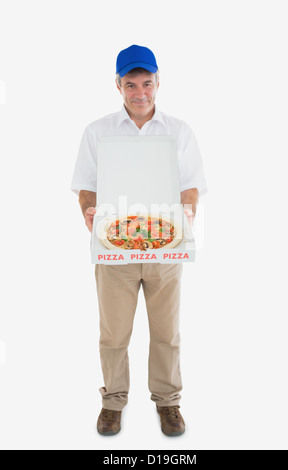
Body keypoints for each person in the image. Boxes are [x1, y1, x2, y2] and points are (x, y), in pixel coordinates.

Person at [71, 45, 207, 437]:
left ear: (158, 83)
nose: (140, 92)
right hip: (115, 251)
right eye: (131, 84)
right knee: (113, 334)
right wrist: (89, 212)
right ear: (118, 85)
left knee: (167, 332)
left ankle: (168, 403)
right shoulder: (97, 131)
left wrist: (188, 213)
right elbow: (85, 187)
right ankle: (113, 401)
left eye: (147, 83)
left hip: (166, 248)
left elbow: (191, 186)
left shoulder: (179, 131)